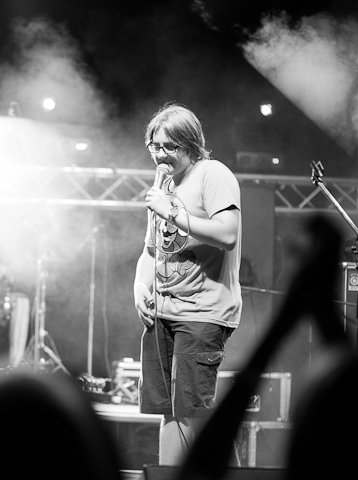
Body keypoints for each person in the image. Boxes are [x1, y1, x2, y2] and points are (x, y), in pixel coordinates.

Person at [133, 102, 242, 465]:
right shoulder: (163, 185)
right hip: (164, 313)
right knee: (170, 411)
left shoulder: (212, 173)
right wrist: (139, 287)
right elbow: (150, 251)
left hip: (202, 311)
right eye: (155, 146)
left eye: (170, 146)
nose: (160, 155)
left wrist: (172, 211)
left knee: (192, 412)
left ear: (191, 144)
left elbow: (228, 234)